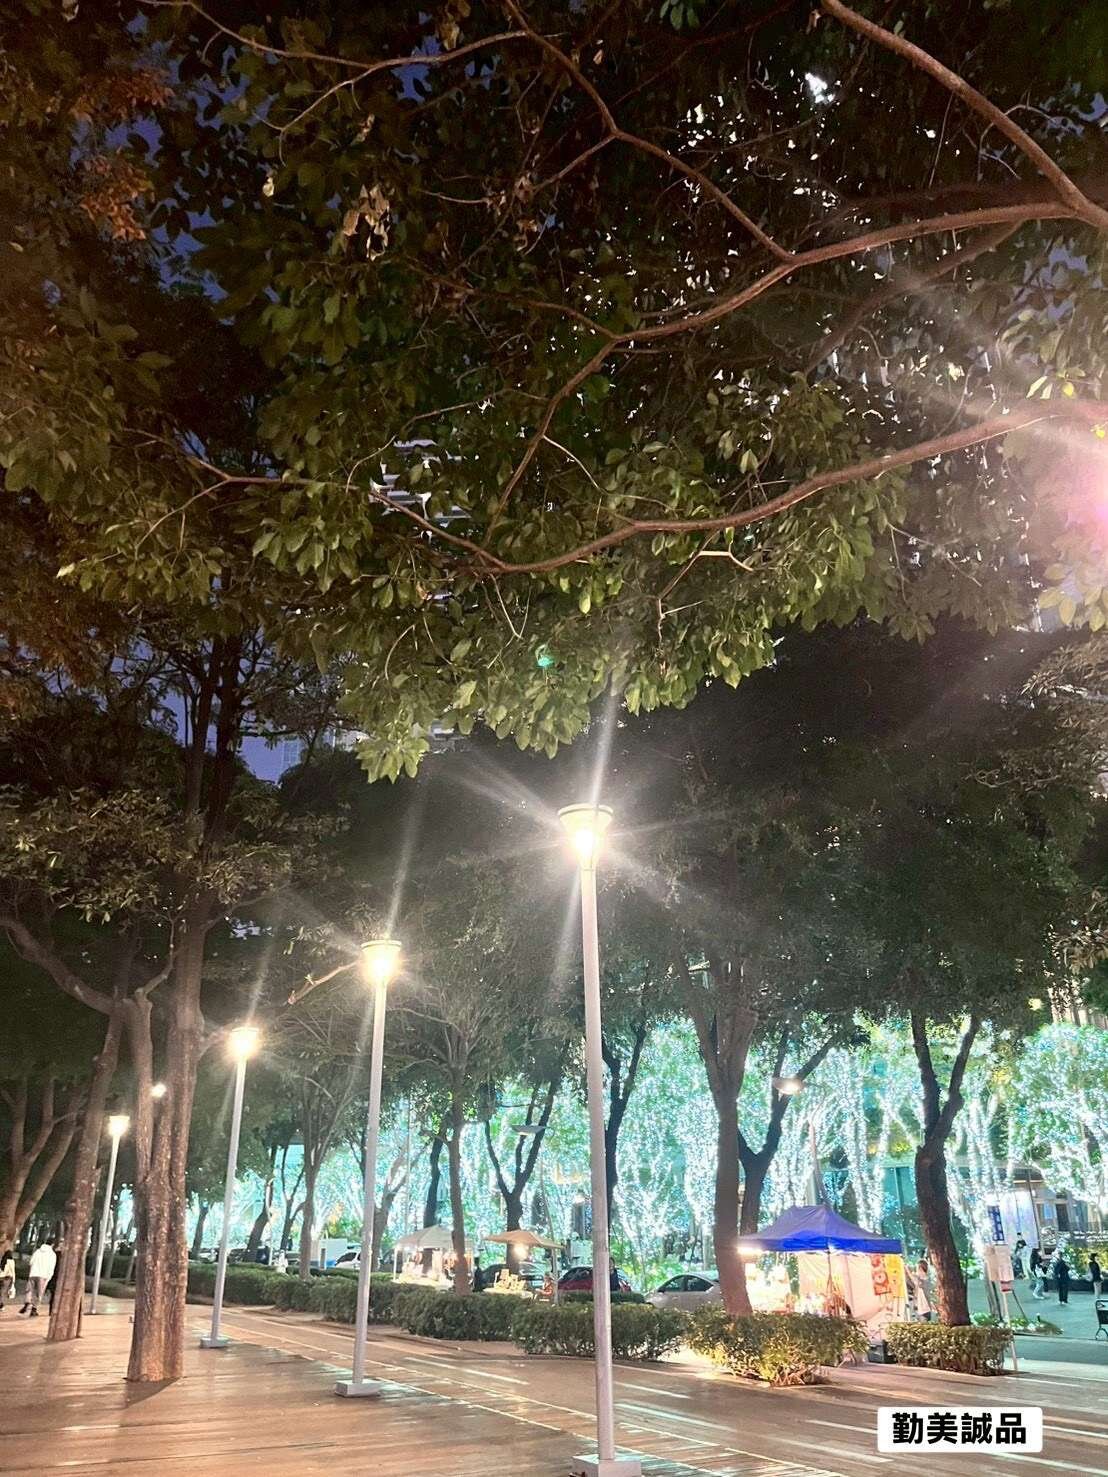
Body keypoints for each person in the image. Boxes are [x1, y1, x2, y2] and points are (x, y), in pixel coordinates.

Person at [20, 1239, 56, 1317]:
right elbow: (51, 1267)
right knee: (39, 1293)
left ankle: (27, 1302)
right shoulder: (52, 1254)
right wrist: (49, 1277)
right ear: (52, 1244)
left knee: (29, 1290)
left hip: (33, 1273)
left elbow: (31, 1262)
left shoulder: (37, 1251)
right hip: (43, 1275)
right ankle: (34, 1308)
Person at [911, 1257, 933, 1321]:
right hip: (920, 1311)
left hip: (925, 1311)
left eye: (917, 1269)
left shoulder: (926, 1280)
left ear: (920, 1269)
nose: (916, 1271)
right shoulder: (922, 1280)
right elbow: (914, 1281)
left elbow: (919, 1282)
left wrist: (914, 1275)